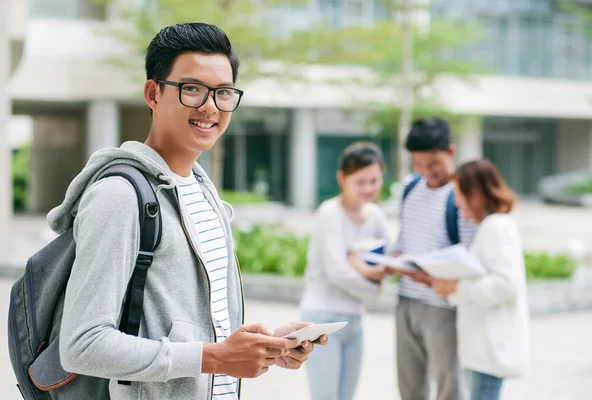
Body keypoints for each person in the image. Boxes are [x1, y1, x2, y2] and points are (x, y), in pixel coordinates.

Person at [51, 23, 325, 400]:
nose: (210, 107)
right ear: (153, 93)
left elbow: (195, 334)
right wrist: (214, 358)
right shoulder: (119, 196)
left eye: (223, 93)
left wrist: (262, 349)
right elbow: (82, 345)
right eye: (192, 89)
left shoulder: (203, 193)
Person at [389, 118, 478, 400]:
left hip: (442, 309)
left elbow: (471, 258)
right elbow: (404, 238)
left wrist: (429, 276)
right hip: (406, 303)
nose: (427, 171)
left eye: (434, 164)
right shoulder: (411, 189)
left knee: (449, 388)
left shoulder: (462, 194)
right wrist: (392, 258)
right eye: (419, 164)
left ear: (451, 152)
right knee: (409, 388)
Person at [431, 159, 530, 400]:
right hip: (482, 351)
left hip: (489, 352)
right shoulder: (491, 226)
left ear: (474, 193)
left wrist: (456, 286)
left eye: (458, 194)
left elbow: (506, 284)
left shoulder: (497, 227)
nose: (456, 202)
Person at [299, 141, 391, 400]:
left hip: (355, 319)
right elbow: (337, 272)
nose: (369, 188)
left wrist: (360, 266)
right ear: (342, 178)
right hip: (322, 317)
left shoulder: (376, 215)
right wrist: (373, 286)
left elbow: (391, 262)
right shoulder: (329, 212)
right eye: (360, 182)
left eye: (374, 181)